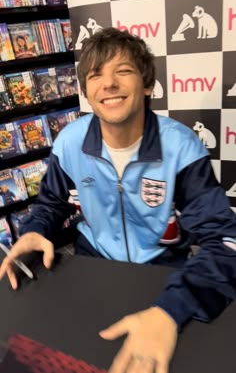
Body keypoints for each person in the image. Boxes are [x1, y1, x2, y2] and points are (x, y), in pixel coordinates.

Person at [1, 27, 236, 373]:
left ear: (147, 85)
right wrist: (34, 230)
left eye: (123, 71)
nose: (108, 83)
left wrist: (171, 310)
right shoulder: (69, 142)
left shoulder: (181, 146)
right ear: (86, 91)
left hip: (163, 269)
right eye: (96, 75)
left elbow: (226, 242)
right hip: (91, 264)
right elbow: (51, 203)